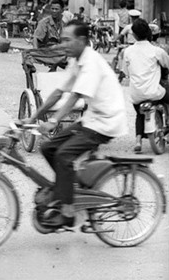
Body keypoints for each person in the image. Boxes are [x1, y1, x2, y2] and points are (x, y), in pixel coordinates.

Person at [24, 21, 127, 227]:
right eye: (62, 39)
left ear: (81, 40)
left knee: (64, 155)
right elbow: (58, 93)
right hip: (91, 120)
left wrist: (53, 121)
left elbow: (75, 97)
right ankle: (70, 189)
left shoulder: (91, 62)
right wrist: (33, 117)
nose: (64, 44)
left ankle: (68, 212)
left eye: (67, 40)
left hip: (106, 122)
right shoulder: (75, 61)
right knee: (48, 147)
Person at [122, 18, 169, 153]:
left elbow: (126, 72)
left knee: (139, 114)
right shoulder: (156, 51)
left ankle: (138, 141)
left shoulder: (128, 51)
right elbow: (167, 64)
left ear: (134, 35)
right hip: (154, 92)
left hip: (136, 95)